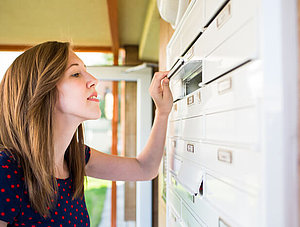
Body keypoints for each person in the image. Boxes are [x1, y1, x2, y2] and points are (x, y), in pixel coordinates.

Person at [0, 41, 173, 227]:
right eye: (75, 74)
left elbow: (145, 169)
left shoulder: (76, 157)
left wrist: (162, 112)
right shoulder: (7, 168)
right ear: (41, 90)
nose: (94, 80)